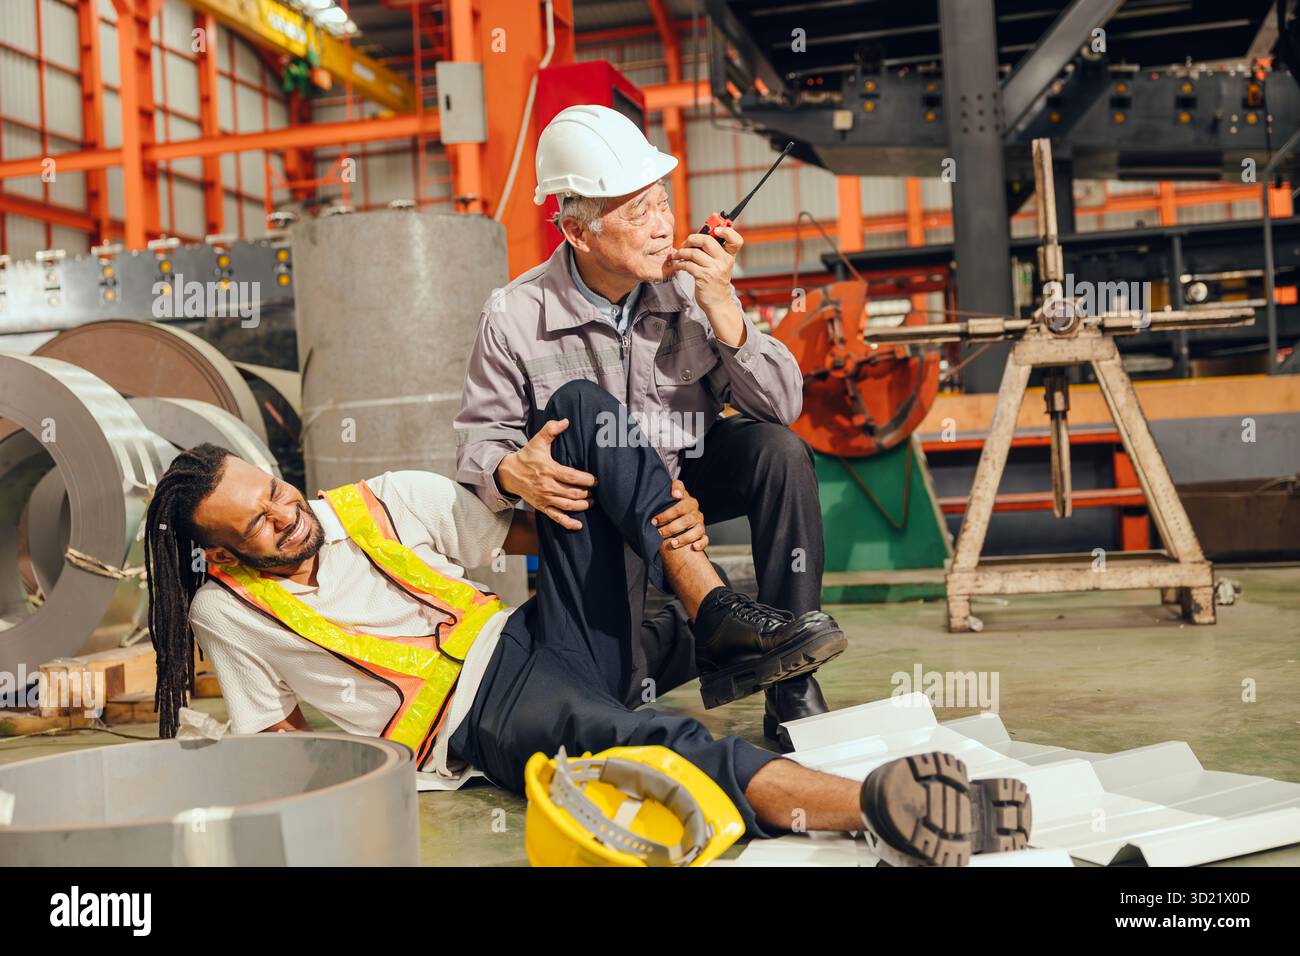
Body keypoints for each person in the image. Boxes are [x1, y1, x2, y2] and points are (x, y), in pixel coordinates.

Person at [145, 380, 1031, 866]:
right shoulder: (227, 610)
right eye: (256, 523)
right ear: (221, 551)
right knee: (654, 741)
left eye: (273, 490)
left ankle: (710, 605)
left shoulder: (385, 498)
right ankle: (870, 806)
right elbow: (278, 738)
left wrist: (608, 502)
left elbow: (539, 527)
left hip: (534, 634)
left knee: (578, 407)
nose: (283, 515)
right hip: (479, 718)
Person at [455, 104, 831, 749]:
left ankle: (791, 681)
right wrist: (510, 468)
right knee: (616, 695)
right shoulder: (516, 315)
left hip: (690, 483)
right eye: (638, 214)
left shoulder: (692, 290)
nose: (663, 229)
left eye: (663, 204)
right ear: (578, 232)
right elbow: (478, 441)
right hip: (602, 511)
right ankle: (710, 635)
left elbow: (782, 404)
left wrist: (723, 306)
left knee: (778, 451)